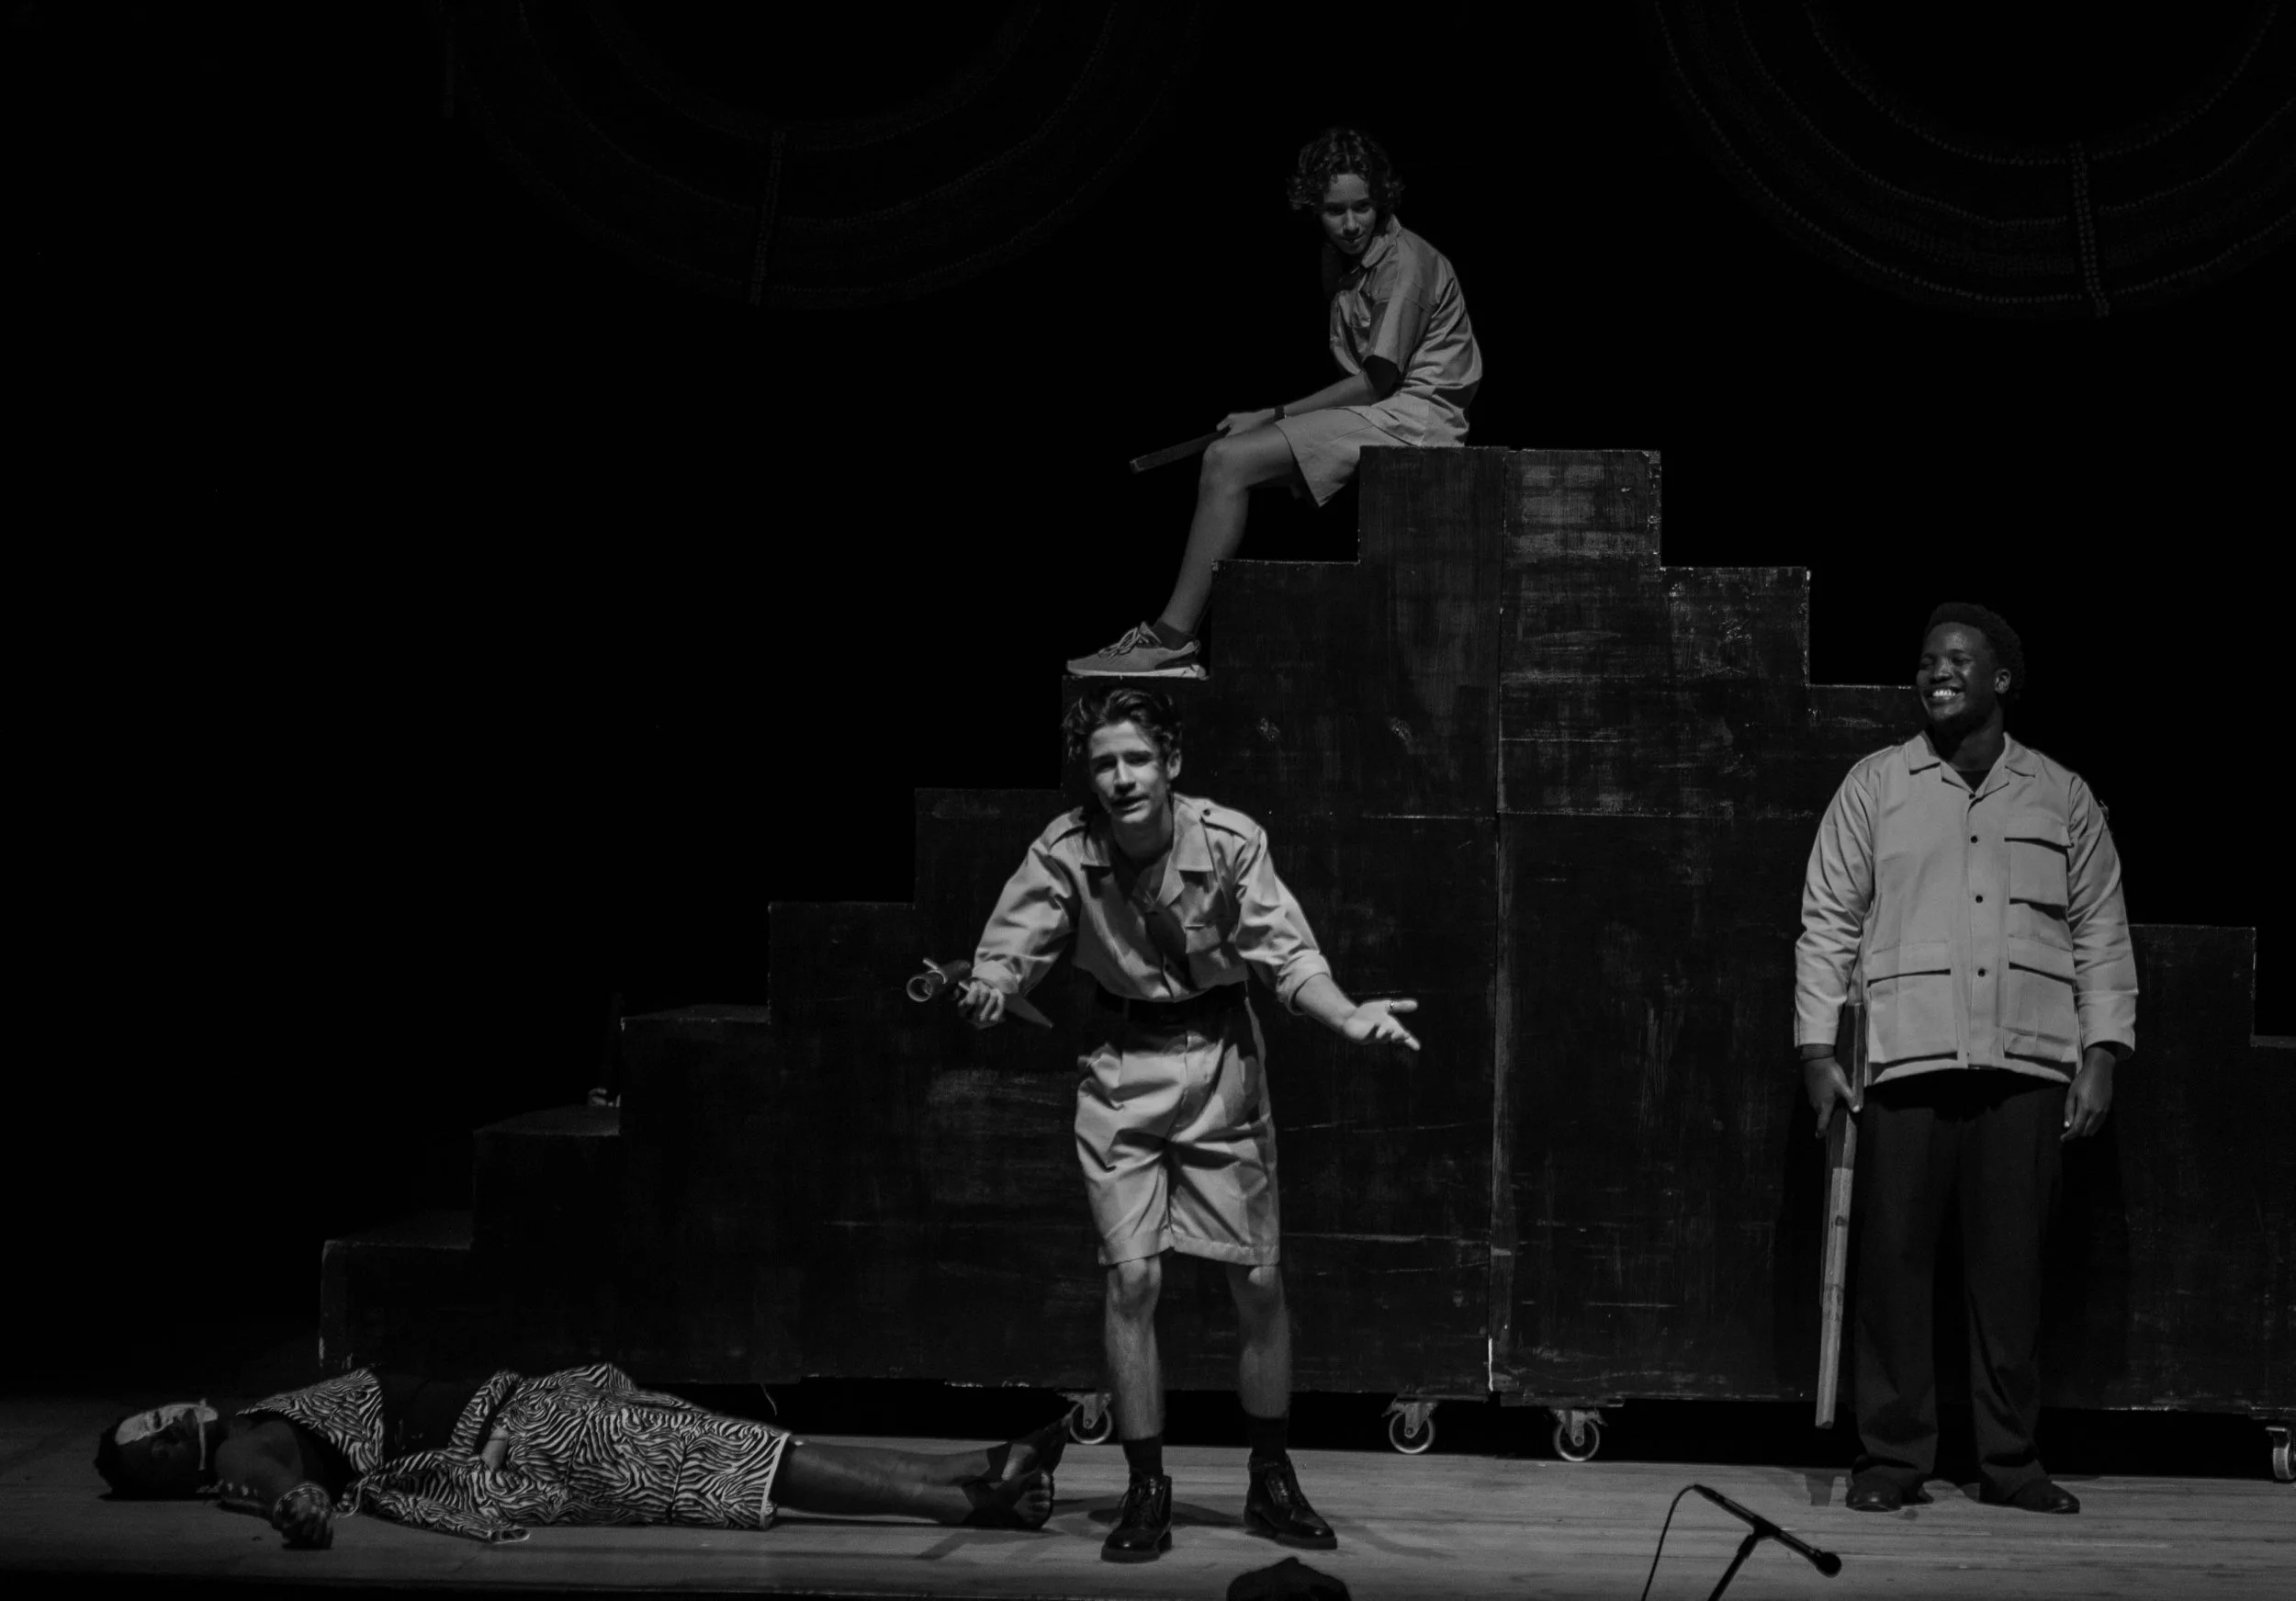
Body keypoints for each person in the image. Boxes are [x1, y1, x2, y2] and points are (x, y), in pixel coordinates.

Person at [957, 684, 1422, 1562]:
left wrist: (1349, 1014)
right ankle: (1145, 1487)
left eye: (1138, 758)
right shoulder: (1066, 850)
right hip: (1121, 1068)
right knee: (1132, 1281)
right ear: (1089, 778)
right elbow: (1005, 961)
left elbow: (1289, 958)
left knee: (1257, 1280)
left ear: (1171, 762)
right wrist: (990, 991)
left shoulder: (1232, 841)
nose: (1123, 777)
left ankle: (1271, 1477)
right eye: (1104, 763)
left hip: (1221, 1064)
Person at [1795, 603, 2136, 1516]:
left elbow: (2102, 928)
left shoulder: (2059, 795)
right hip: (1901, 1064)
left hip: (2025, 1071)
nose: (1935, 673)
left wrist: (2102, 1050)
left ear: (2001, 681)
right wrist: (1814, 1046)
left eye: (1956, 661)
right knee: (1892, 1273)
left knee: (2010, 1277)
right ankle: (1893, 1460)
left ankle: (2009, 1462)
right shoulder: (1876, 786)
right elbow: (1826, 920)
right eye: (1925, 662)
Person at [1065, 127, 1481, 680]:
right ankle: (1175, 641)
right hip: (1383, 413)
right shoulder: (1338, 262)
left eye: (1362, 207)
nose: (1352, 224)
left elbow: (1376, 382)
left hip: (1416, 419)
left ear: (1381, 200)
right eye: (1336, 211)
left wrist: (1273, 417)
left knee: (1226, 460)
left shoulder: (1405, 264)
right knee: (1232, 468)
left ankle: (1170, 643)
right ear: (1314, 206)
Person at [96, 1362, 1065, 1546]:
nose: (155, 1426)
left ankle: (975, 1466)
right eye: (144, 1444)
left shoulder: (254, 1418)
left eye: (146, 1420)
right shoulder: (249, 1451)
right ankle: (972, 1502)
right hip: (524, 1440)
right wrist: (295, 1511)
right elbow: (277, 1491)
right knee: (725, 1467)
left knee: (734, 1445)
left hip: (544, 1404)